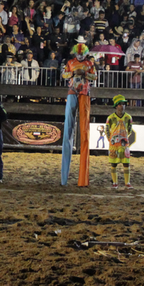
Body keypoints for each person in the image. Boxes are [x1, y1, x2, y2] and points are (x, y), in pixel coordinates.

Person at [61, 37, 97, 186]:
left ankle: (83, 179)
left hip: (84, 94)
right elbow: (64, 74)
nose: (80, 55)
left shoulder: (89, 64)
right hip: (72, 93)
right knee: (67, 130)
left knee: (84, 132)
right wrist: (73, 74)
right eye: (79, 53)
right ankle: (64, 179)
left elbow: (94, 77)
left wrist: (84, 74)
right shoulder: (70, 63)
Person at [105, 95, 133, 188]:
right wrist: (111, 140)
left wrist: (124, 138)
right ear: (116, 106)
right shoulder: (111, 118)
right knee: (113, 164)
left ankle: (127, 183)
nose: (122, 106)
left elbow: (130, 129)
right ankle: (115, 183)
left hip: (124, 144)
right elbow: (107, 130)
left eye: (124, 104)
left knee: (126, 163)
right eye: (120, 104)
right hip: (114, 144)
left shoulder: (128, 117)